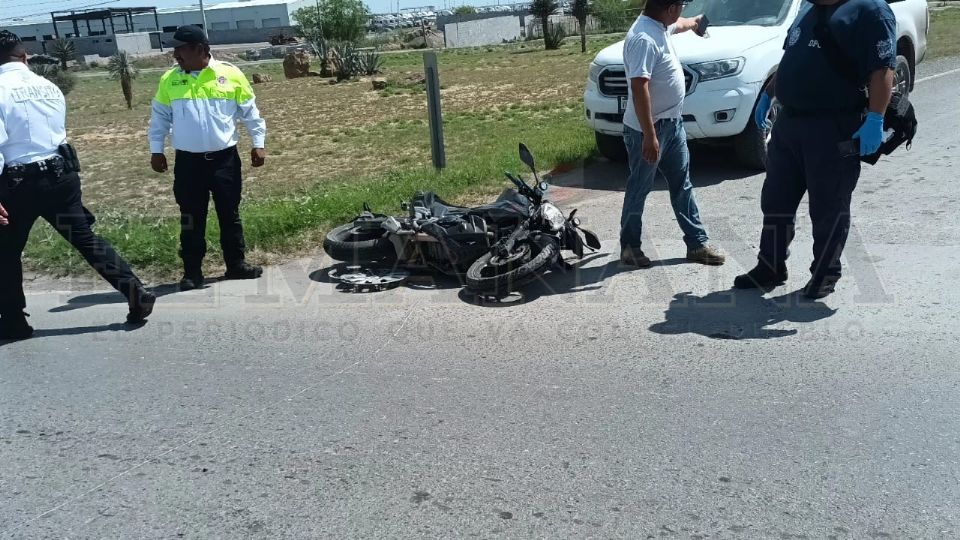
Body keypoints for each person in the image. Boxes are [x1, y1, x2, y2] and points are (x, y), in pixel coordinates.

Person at [734, 0, 896, 298]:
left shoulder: (870, 11)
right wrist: (769, 94)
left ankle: (825, 274)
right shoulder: (808, 10)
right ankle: (770, 266)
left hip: (833, 127)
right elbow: (791, 57)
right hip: (789, 125)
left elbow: (883, 68)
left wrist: (875, 118)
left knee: (828, 206)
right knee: (775, 200)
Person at [0, 30, 154, 340]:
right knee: (84, 238)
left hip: (18, 183)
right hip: (61, 175)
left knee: (4, 252)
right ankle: (134, 290)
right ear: (25, 55)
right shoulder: (49, 86)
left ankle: (14, 322)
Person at [148, 25, 267, 291]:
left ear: (199, 49)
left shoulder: (230, 73)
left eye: (180, 48)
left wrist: (258, 143)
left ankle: (236, 265)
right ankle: (192, 273)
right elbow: (160, 118)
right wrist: (156, 149)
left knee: (230, 213)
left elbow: (250, 112)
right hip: (189, 163)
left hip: (225, 160)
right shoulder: (170, 79)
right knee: (191, 216)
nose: (175, 53)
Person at [619, 0, 726, 269]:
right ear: (669, 8)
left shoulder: (659, 25)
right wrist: (649, 135)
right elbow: (639, 87)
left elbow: (678, 25)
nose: (681, 9)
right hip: (649, 129)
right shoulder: (643, 38)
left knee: (682, 184)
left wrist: (695, 23)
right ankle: (630, 247)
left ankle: (697, 244)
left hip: (672, 125)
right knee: (639, 188)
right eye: (680, 5)